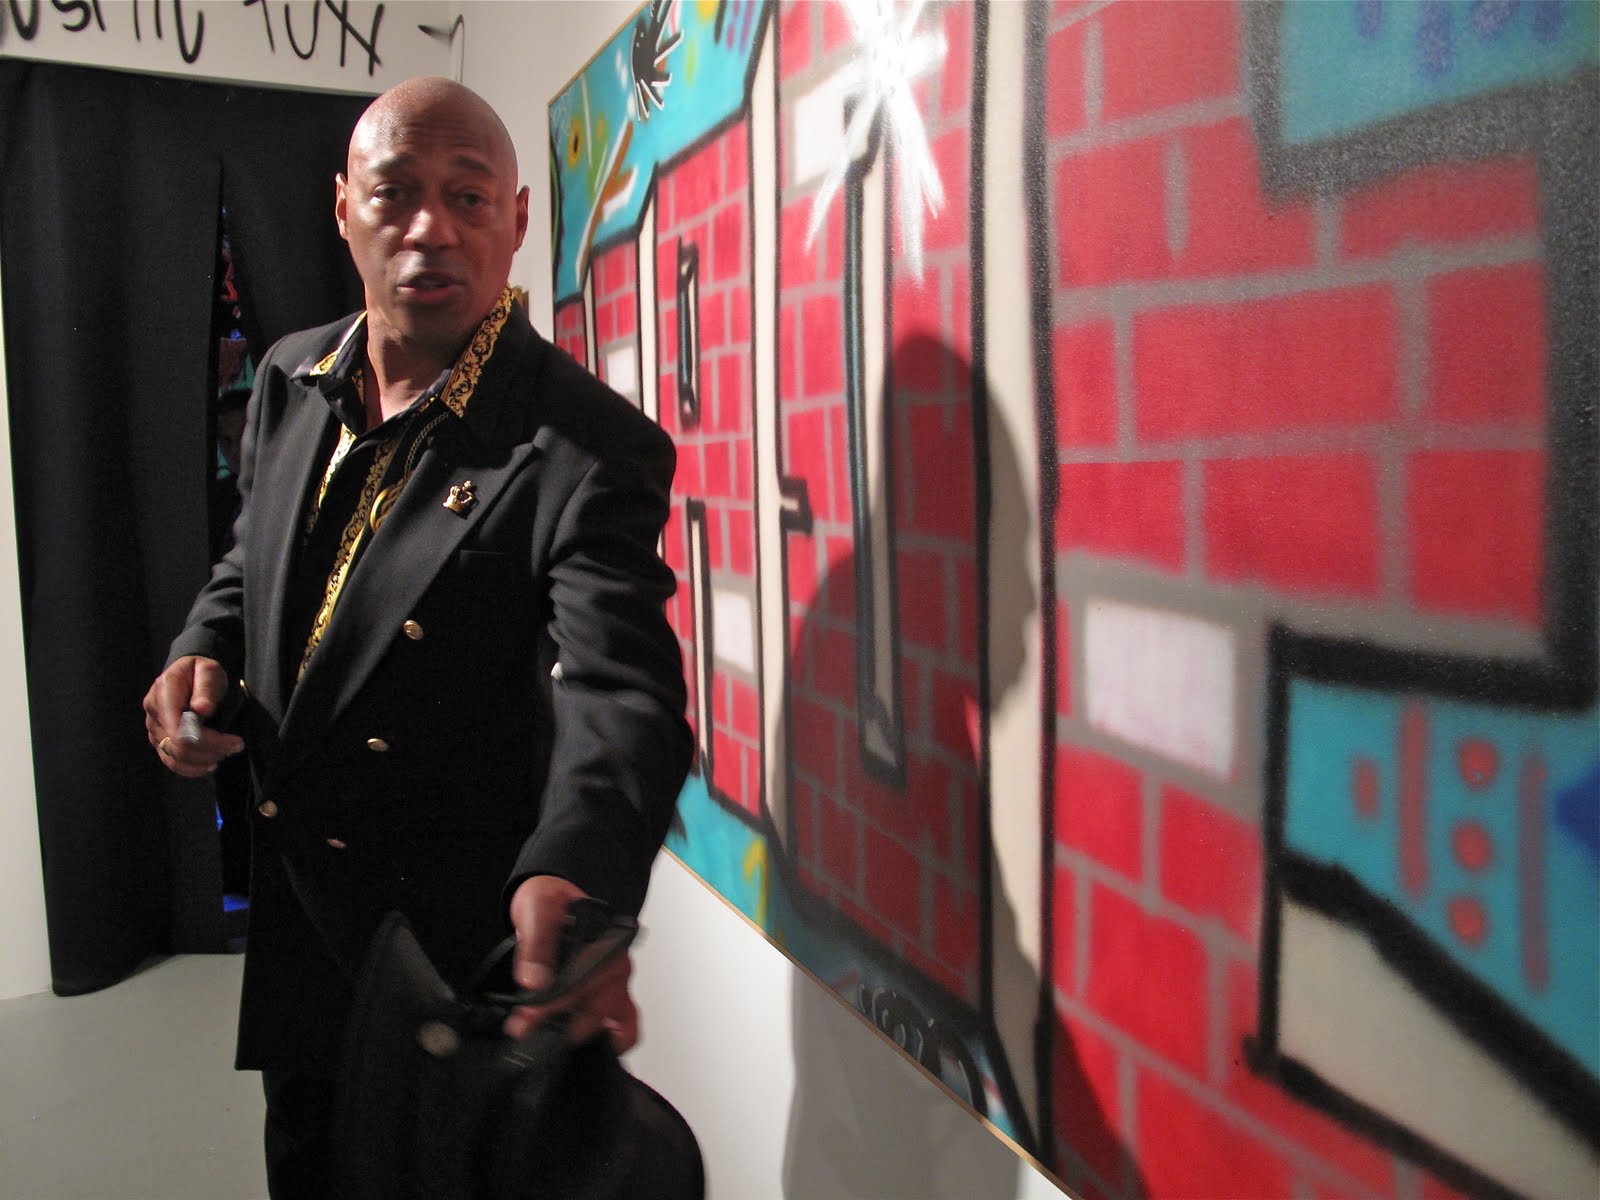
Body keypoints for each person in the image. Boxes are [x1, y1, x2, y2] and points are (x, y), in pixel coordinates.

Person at [142, 77, 692, 1198]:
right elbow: (252, 559)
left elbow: (620, 692)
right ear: (343, 207)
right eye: (394, 193)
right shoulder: (291, 376)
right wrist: (203, 645)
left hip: (445, 947)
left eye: (468, 196)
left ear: (517, 220)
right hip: (297, 915)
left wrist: (576, 873)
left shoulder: (581, 444)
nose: (431, 227)